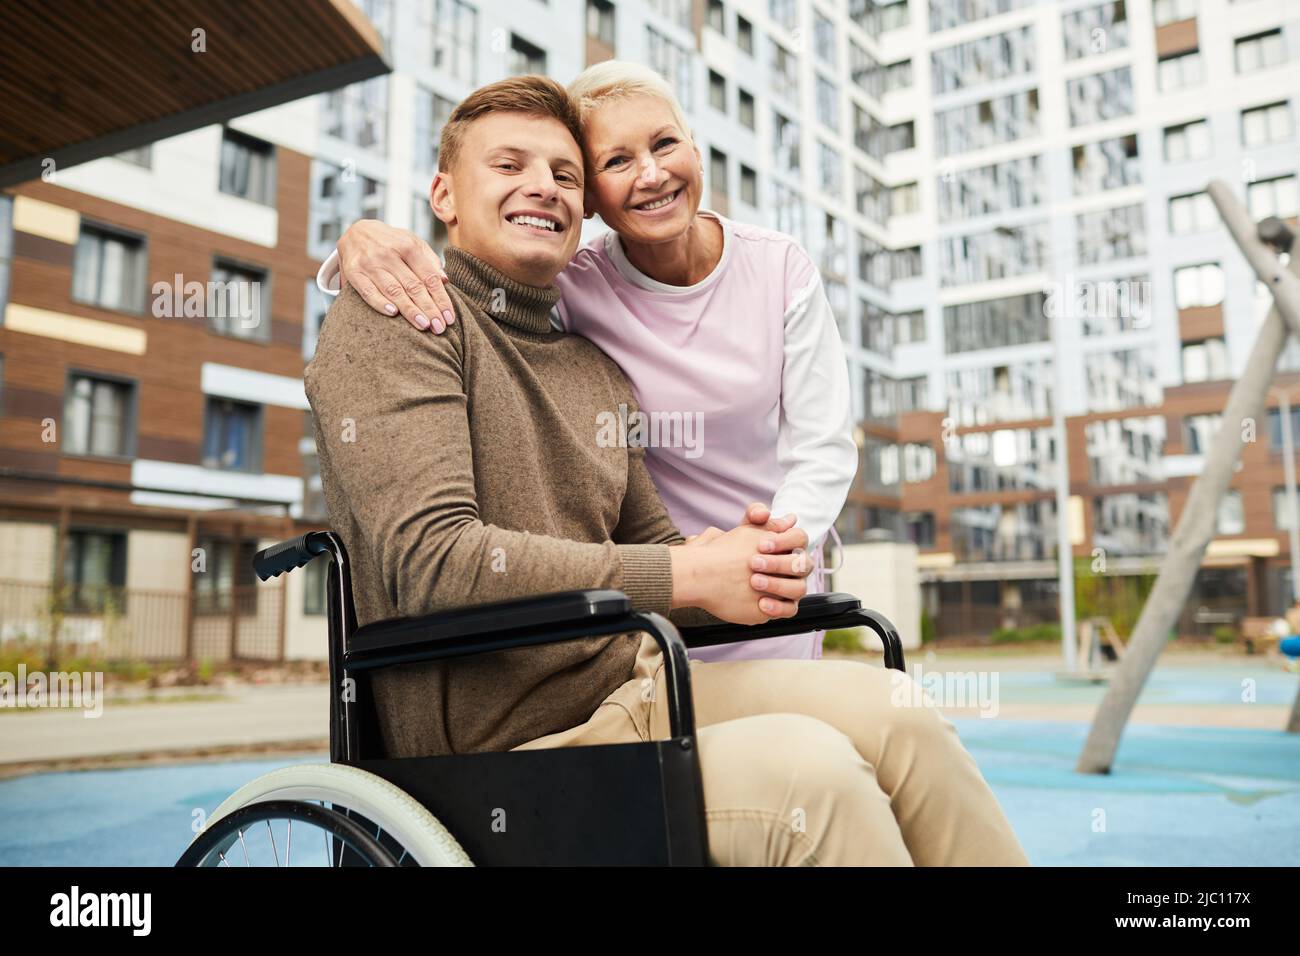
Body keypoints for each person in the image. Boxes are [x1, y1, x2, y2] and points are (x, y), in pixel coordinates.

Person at [305, 73, 1029, 866]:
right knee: (816, 779)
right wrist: (686, 573)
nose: (540, 187)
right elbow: (433, 563)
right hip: (506, 742)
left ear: (586, 216)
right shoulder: (401, 320)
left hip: (637, 682)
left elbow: (662, 545)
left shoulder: (594, 368)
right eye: (508, 166)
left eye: (564, 175)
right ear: (443, 195)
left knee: (901, 712)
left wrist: (754, 563)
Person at [316, 60, 856, 662]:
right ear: (599, 201)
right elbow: (457, 292)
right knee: (824, 747)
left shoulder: (761, 276)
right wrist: (361, 243)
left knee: (894, 718)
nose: (651, 173)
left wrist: (765, 552)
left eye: (562, 175)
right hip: (650, 614)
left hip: (730, 577)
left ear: (698, 153)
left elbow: (822, 445)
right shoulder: (566, 285)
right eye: (617, 162)